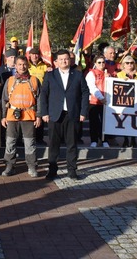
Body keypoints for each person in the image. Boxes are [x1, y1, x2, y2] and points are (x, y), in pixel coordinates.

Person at [40, 49, 90, 180]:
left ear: (70, 60)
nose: (64, 61)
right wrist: (44, 112)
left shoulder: (78, 75)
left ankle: (72, 170)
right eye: (61, 59)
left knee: (72, 144)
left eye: (66, 59)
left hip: (73, 114)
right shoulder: (50, 75)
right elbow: (44, 94)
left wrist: (83, 112)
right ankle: (52, 170)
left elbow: (85, 93)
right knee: (54, 144)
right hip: (55, 114)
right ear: (56, 62)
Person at [0, 55, 41, 177]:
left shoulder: (34, 80)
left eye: (24, 64)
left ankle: (32, 166)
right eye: (19, 64)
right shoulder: (10, 81)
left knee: (30, 143)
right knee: (10, 142)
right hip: (12, 116)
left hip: (29, 116)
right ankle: (9, 166)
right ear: (15, 66)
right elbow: (4, 99)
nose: (22, 67)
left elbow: (40, 99)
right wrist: (3, 116)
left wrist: (39, 115)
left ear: (27, 65)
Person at [116, 55, 137, 148]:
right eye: (127, 63)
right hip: (125, 100)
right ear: (123, 65)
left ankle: (133, 139)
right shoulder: (119, 75)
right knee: (125, 120)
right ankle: (125, 139)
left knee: (134, 120)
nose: (129, 65)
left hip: (136, 100)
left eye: (132, 63)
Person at [85, 55, 107, 147]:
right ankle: (94, 140)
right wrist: (100, 97)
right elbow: (91, 87)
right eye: (99, 62)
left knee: (105, 122)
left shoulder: (108, 73)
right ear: (95, 63)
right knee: (94, 122)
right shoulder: (91, 73)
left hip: (106, 102)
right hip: (94, 101)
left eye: (103, 62)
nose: (101, 64)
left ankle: (104, 140)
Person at [28, 47, 49, 145]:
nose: (35, 56)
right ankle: (30, 138)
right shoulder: (26, 66)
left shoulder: (44, 66)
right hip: (29, 95)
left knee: (40, 115)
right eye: (33, 54)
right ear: (30, 55)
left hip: (41, 94)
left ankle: (40, 138)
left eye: (36, 54)